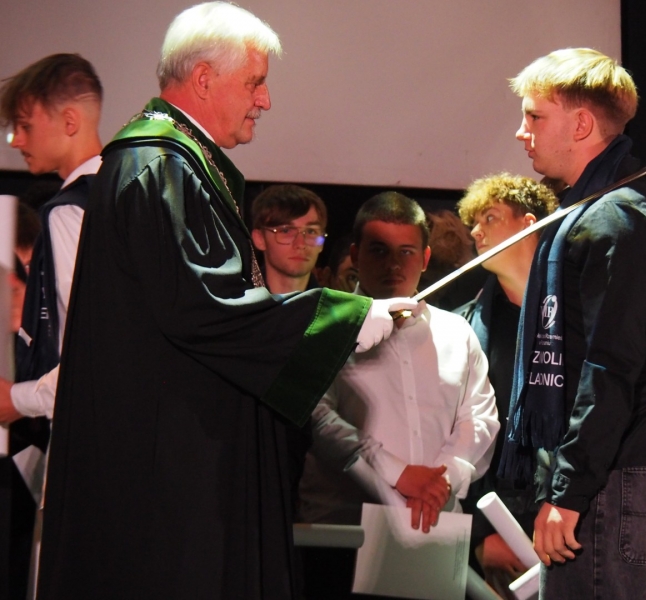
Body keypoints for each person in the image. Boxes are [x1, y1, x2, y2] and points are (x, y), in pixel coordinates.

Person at [35, 4, 415, 599]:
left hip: (173, 460)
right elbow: (207, 309)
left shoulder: (172, 162)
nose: (265, 101)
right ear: (205, 79)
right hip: (167, 481)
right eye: (255, 82)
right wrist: (343, 315)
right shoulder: (159, 166)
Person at [498, 48, 646, 599]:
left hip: (616, 484)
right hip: (612, 480)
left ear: (581, 124)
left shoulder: (615, 219)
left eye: (535, 117)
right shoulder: (595, 212)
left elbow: (610, 366)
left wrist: (569, 490)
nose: (521, 132)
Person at [298, 192, 499, 597]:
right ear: (355, 255)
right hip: (341, 534)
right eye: (379, 250)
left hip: (434, 528)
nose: (393, 264)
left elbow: (479, 416)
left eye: (406, 252)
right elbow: (319, 418)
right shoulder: (325, 327)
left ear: (425, 258)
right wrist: (399, 474)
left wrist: (442, 480)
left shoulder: (456, 333)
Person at [0, 53, 104, 600]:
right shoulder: (131, 193)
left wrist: (16, 399)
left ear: (69, 120)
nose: (15, 140)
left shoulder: (70, 211)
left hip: (84, 451)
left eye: (23, 124)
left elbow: (93, 356)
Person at [455, 173, 557, 594]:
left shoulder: (578, 317)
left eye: (490, 218)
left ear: (528, 223)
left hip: (567, 517)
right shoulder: (462, 326)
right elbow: (455, 432)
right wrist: (481, 533)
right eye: (473, 222)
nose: (476, 232)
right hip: (493, 520)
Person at [250, 184, 327, 293]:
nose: (301, 244)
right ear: (260, 239)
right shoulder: (237, 302)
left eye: (311, 231)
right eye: (286, 231)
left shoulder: (334, 303)